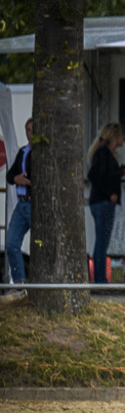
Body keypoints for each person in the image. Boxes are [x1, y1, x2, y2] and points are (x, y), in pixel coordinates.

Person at [87, 122, 125, 284]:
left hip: (99, 201)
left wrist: (120, 172)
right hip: (103, 202)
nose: (123, 138)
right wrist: (110, 193)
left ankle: (100, 277)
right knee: (102, 243)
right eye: (121, 135)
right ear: (115, 137)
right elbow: (94, 176)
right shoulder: (104, 153)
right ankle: (100, 279)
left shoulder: (102, 153)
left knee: (101, 242)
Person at [4, 117, 32, 299]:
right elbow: (10, 175)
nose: (30, 133)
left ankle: (41, 281)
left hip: (35, 204)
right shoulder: (23, 152)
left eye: (33, 130)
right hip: (22, 203)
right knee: (11, 242)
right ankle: (19, 283)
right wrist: (17, 179)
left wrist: (28, 181)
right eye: (27, 130)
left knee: (39, 243)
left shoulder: (41, 154)